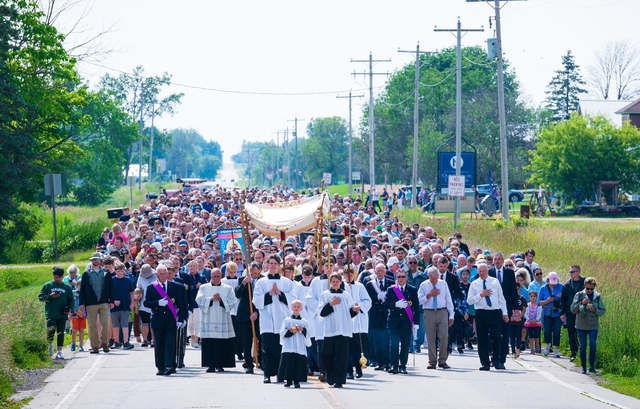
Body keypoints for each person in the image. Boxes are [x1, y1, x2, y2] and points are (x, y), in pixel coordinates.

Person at [253, 254, 295, 383]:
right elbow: (256, 300)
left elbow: (293, 300)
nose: (273, 266)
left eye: (275, 263)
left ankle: (281, 373)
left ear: (279, 266)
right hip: (267, 319)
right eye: (270, 263)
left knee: (281, 346)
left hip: (282, 318)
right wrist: (270, 294)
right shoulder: (261, 282)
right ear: (267, 265)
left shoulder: (287, 282)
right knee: (267, 347)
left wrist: (280, 294)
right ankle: (267, 373)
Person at [144, 264, 188, 376]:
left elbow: (181, 303)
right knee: (159, 345)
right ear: (157, 275)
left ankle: (170, 365)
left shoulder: (174, 286)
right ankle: (161, 367)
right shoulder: (151, 287)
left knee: (170, 343)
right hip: (157, 320)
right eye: (161, 274)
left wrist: (182, 318)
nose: (163, 276)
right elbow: (146, 303)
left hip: (171, 320)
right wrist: (157, 303)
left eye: (165, 274)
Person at [318, 272, 360, 388]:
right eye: (333, 281)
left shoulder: (346, 295)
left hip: (343, 329)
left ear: (341, 282)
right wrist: (330, 304)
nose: (335, 283)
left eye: (337, 281)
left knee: (341, 356)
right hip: (330, 329)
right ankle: (330, 375)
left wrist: (355, 310)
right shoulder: (325, 295)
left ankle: (339, 380)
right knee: (326, 354)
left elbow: (349, 313)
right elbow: (321, 313)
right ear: (330, 282)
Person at [466, 263, 509, 371]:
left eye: (483, 271)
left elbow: (501, 298)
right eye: (480, 272)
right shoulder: (474, 284)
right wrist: (481, 295)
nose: (481, 273)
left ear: (487, 271)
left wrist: (505, 313)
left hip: (495, 312)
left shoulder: (494, 281)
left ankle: (495, 359)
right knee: (482, 338)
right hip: (481, 312)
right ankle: (485, 363)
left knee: (497, 336)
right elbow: (469, 300)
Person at [196, 268, 238, 372]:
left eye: (218, 276)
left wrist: (221, 300)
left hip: (223, 319)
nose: (216, 278)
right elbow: (199, 300)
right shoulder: (204, 288)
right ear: (210, 277)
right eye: (214, 276)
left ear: (221, 277)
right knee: (210, 343)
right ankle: (210, 365)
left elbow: (233, 301)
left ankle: (220, 364)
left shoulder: (227, 288)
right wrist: (210, 299)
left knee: (221, 343)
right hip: (208, 320)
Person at [418, 267, 454, 370]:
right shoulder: (424, 285)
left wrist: (451, 314)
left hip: (442, 311)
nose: (433, 280)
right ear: (428, 276)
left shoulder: (443, 284)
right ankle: (432, 361)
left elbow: (448, 299)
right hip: (429, 312)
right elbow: (419, 300)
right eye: (431, 278)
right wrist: (429, 295)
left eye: (435, 278)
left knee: (443, 336)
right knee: (430, 337)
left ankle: (442, 360)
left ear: (438, 276)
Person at [384, 270, 420, 374]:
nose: (401, 279)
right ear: (396, 278)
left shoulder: (412, 290)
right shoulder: (391, 289)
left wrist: (416, 322)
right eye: (399, 277)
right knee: (394, 345)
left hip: (406, 322)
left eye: (403, 277)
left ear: (407, 277)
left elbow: (416, 308)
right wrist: (395, 304)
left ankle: (402, 365)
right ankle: (394, 365)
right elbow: (385, 304)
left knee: (405, 345)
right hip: (393, 322)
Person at [79, 252, 115, 354]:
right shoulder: (86, 274)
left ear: (101, 260)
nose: (96, 261)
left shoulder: (106, 273)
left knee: (105, 323)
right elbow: (82, 289)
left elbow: (110, 288)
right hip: (91, 302)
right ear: (91, 261)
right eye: (94, 259)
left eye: (97, 259)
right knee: (93, 325)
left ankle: (104, 343)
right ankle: (94, 346)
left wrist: (111, 300)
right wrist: (82, 303)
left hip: (104, 302)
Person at [488, 252, 518, 368]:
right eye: (495, 259)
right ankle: (492, 356)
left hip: (506, 307)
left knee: (505, 333)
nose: (497, 261)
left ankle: (501, 359)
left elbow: (513, 291)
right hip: (492, 307)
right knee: (492, 333)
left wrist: (515, 308)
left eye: (499, 259)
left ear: (502, 260)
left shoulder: (509, 272)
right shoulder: (490, 272)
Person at [571, 277, 606, 374]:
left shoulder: (597, 297)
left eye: (591, 289)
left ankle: (592, 366)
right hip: (581, 325)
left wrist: (595, 310)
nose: (589, 290)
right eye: (588, 288)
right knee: (582, 346)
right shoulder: (579, 295)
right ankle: (583, 367)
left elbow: (602, 310)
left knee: (593, 344)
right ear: (584, 287)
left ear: (594, 288)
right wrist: (582, 303)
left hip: (593, 325)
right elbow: (573, 310)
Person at [364, 263, 394, 371]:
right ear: (375, 272)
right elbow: (367, 300)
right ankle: (379, 362)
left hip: (387, 314)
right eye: (378, 270)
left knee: (386, 339)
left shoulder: (391, 282)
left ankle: (387, 362)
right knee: (376, 340)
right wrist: (377, 297)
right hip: (375, 314)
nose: (380, 273)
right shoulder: (369, 284)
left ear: (385, 271)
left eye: (382, 270)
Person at [39, 267, 74, 359]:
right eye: (55, 277)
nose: (57, 279)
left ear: (62, 277)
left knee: (60, 332)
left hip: (62, 314)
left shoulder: (67, 287)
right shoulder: (47, 285)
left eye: (59, 277)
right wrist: (50, 296)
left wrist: (70, 312)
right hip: (50, 313)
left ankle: (59, 351)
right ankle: (50, 345)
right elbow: (40, 298)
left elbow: (71, 300)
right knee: (50, 331)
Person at [235, 262, 262, 374]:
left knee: (261, 339)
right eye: (254, 273)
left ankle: (261, 361)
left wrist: (256, 312)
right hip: (245, 315)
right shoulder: (242, 279)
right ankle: (249, 364)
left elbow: (263, 299)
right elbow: (237, 294)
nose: (256, 275)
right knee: (247, 341)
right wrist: (244, 284)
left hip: (259, 315)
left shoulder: (263, 280)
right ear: (250, 270)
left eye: (258, 273)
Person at [278, 300, 311, 388]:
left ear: (301, 308)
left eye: (298, 307)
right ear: (291, 308)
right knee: (288, 363)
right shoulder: (287, 320)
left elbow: (309, 333)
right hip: (289, 345)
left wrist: (303, 330)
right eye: (294, 306)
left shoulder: (304, 322)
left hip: (299, 346)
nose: (296, 308)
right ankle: (288, 381)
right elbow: (282, 332)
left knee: (298, 364)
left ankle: (297, 381)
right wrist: (290, 331)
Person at [538, 272, 564, 358]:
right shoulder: (543, 288)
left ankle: (556, 349)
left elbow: (566, 299)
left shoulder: (561, 287)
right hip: (547, 311)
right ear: (548, 280)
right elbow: (539, 302)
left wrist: (561, 297)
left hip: (557, 312)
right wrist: (547, 301)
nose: (553, 285)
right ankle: (548, 345)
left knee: (557, 330)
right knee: (547, 330)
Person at [562, 265, 585, 362]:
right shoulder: (567, 285)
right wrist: (562, 313)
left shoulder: (585, 283)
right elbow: (563, 300)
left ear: (578, 272)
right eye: (570, 272)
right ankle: (573, 353)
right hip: (570, 311)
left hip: (582, 311)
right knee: (572, 332)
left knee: (583, 332)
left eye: (572, 272)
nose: (570, 274)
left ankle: (583, 352)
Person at [111, 262, 135, 349]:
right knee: (115, 324)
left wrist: (132, 302)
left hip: (125, 304)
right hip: (114, 306)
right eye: (118, 271)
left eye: (121, 271)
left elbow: (131, 292)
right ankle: (116, 341)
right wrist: (113, 301)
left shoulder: (127, 280)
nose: (120, 273)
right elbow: (109, 293)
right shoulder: (112, 280)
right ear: (115, 271)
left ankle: (126, 341)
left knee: (125, 323)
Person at [136, 264, 157, 347]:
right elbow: (138, 287)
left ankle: (153, 340)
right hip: (143, 303)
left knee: (153, 323)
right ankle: (145, 340)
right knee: (144, 323)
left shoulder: (156, 276)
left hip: (154, 302)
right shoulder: (140, 277)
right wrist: (138, 293)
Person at [69, 279, 86, 352]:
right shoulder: (73, 293)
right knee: (74, 330)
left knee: (81, 329)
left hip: (83, 314)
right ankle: (73, 343)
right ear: (77, 285)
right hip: (75, 314)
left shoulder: (85, 294)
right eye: (80, 285)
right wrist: (70, 313)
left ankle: (81, 345)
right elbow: (70, 303)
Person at [524, 290, 542, 354]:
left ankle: (537, 346)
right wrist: (529, 319)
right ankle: (532, 348)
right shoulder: (527, 305)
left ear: (536, 297)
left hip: (536, 322)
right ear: (529, 297)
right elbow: (525, 313)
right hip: (529, 322)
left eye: (534, 296)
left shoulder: (539, 305)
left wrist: (536, 320)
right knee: (530, 336)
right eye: (531, 296)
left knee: (536, 336)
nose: (533, 298)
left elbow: (540, 313)